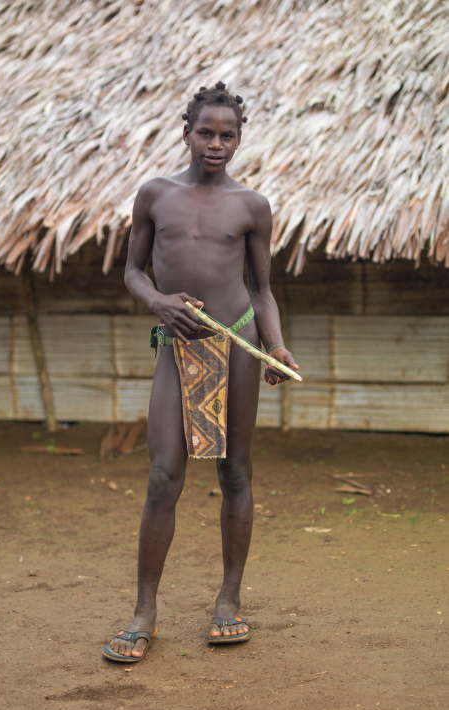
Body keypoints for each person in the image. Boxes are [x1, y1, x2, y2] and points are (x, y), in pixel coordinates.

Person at [103, 81, 299, 663]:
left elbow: (262, 290)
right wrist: (158, 302)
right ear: (186, 132)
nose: (217, 144)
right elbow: (132, 273)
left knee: (235, 472)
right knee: (164, 477)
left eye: (228, 135)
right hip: (176, 344)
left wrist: (277, 346)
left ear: (240, 139)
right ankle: (144, 613)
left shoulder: (252, 206)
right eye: (206, 133)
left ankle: (227, 602)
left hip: (237, 342)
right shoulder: (155, 195)